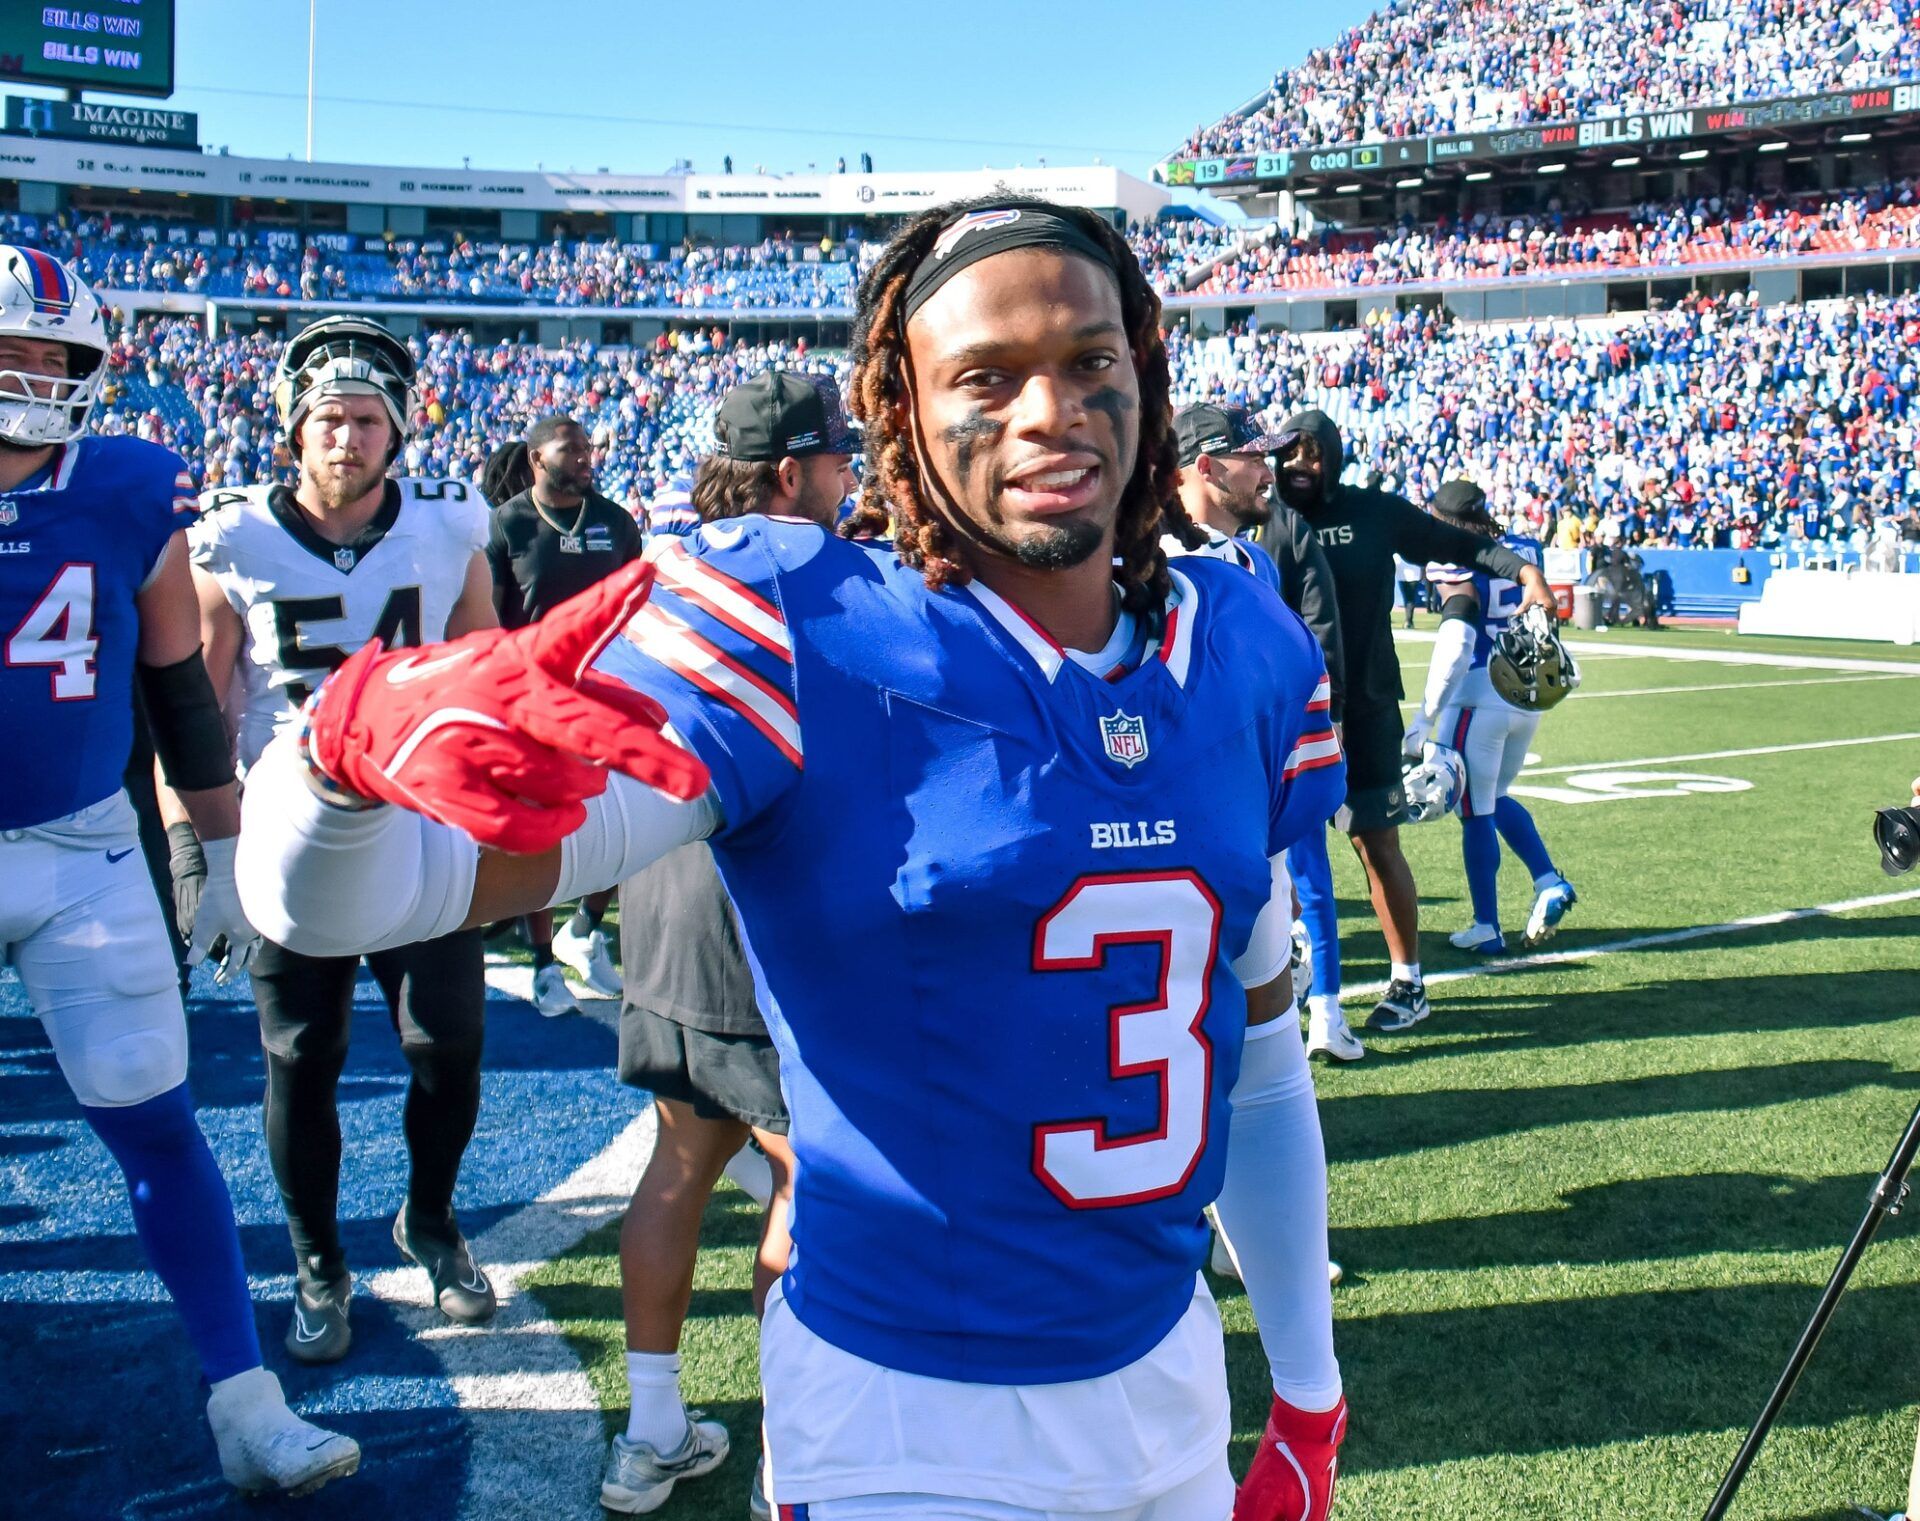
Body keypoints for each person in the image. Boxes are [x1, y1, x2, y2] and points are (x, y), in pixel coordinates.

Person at [238, 196, 1351, 1521]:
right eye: (987, 377)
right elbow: (358, 901)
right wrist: (330, 763)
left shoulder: (1242, 642)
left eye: (1090, 360)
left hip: (1171, 1377)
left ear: (1145, 372)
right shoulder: (800, 628)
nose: (1052, 411)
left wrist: (1307, 1391)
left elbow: (1265, 1055)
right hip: (906, 1424)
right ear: (900, 413)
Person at [0, 246, 358, 1497]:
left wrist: (221, 846)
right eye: (13, 347)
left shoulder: (131, 488)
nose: (30, 374)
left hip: (87, 845)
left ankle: (247, 1408)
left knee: (154, 1118)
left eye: (52, 352)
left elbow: (175, 692)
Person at [185, 315, 501, 1365]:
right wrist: (208, 853)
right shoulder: (232, 537)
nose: (346, 440)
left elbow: (489, 672)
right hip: (290, 830)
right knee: (302, 1057)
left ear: (397, 429)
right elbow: (191, 699)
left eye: (366, 420)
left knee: (448, 1043)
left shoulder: (451, 525)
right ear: (293, 429)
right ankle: (320, 1261)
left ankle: (431, 1219)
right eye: (328, 420)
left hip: (422, 823)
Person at [603, 370, 853, 1517]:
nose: (853, 481)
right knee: (798, 1175)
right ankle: (787, 1456)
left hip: (651, 891)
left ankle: (652, 1426)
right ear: (792, 470)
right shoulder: (814, 570)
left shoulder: (656, 560)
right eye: (838, 460)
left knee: (681, 1161)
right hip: (741, 895)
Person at [1268, 409, 1554, 1035]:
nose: (1298, 467)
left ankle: (1408, 980)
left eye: (1311, 454)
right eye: (1288, 454)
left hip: (1366, 703)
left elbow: (1460, 545)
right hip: (1283, 708)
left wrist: (1524, 571)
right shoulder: (1260, 520)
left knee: (1377, 843)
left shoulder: (1374, 511)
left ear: (1334, 457)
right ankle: (1291, 963)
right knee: (1276, 850)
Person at [1168, 404, 1361, 1063]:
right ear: (1202, 466)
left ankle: (1326, 1010)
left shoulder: (1256, 558)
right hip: (1191, 822)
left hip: (1266, 804)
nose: (1266, 468)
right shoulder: (1149, 566)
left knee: (1266, 1046)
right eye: (1249, 455)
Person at [486, 412, 643, 1015]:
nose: (585, 456)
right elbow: (494, 619)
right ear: (536, 459)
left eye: (587, 447)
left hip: (606, 692)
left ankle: (586, 928)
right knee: (539, 831)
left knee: (619, 822)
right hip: (533, 700)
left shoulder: (616, 523)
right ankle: (544, 962)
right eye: (570, 449)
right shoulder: (508, 524)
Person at [1402, 481, 1576, 953]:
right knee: (1494, 797)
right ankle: (1547, 880)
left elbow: (1457, 643)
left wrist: (1424, 715)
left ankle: (1487, 925)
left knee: (1474, 810)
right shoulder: (1522, 548)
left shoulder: (1452, 556)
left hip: (1477, 692)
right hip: (1523, 693)